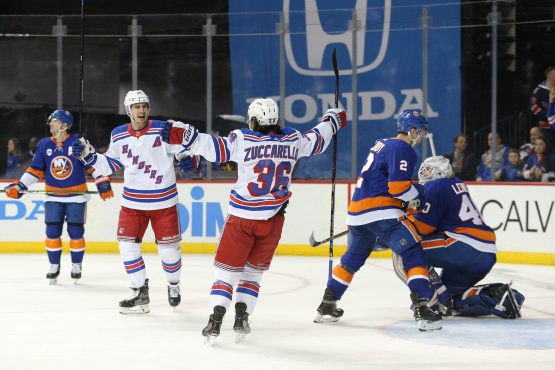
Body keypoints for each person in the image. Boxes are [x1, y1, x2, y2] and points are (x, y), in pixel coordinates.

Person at [161, 98, 347, 344]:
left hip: (242, 220)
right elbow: (318, 140)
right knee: (252, 277)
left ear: (255, 120)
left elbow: (214, 147)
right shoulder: (293, 139)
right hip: (272, 223)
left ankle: (215, 321)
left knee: (225, 276)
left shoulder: (243, 138)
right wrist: (333, 120)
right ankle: (242, 318)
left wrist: (187, 137)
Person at [313, 109, 442, 331]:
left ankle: (327, 304)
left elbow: (383, 182)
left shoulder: (381, 143)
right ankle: (422, 308)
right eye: (419, 130)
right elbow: (398, 187)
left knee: (351, 260)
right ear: (411, 130)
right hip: (383, 213)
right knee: (413, 254)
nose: (421, 135)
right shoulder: (403, 148)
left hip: (357, 213)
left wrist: (406, 199)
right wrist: (416, 196)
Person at [72, 90, 196, 314]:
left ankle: (174, 285)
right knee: (127, 248)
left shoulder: (163, 129)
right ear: (128, 111)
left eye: (144, 106)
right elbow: (110, 165)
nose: (142, 110)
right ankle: (139, 292)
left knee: (169, 251)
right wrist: (88, 156)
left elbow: (183, 150)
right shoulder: (118, 134)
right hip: (132, 204)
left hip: (164, 203)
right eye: (137, 106)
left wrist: (188, 159)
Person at [395, 156, 524, 319]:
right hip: (485, 253)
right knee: (453, 301)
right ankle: (498, 297)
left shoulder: (436, 185)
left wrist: (397, 226)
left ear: (439, 172)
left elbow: (423, 228)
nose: (424, 174)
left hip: (463, 245)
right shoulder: (456, 183)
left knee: (404, 249)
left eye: (428, 170)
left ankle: (430, 298)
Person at [3, 110, 112, 284]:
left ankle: (77, 265)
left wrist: (101, 179)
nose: (50, 124)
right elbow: (35, 170)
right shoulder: (44, 144)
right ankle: (54, 266)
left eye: (54, 121)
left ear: (64, 125)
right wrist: (20, 185)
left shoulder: (78, 143)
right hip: (53, 196)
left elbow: (92, 165)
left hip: (76, 197)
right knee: (52, 232)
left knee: (76, 232)